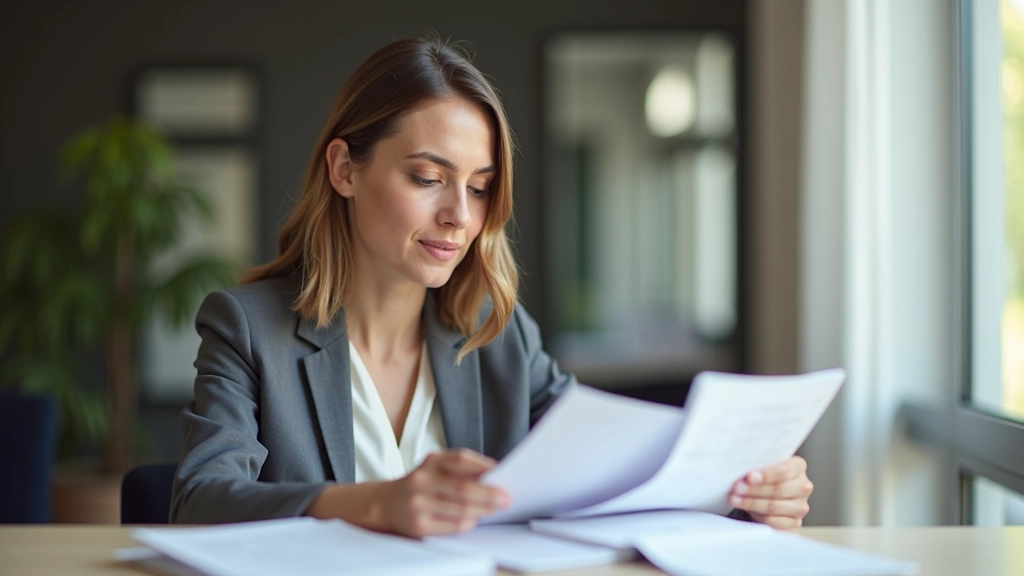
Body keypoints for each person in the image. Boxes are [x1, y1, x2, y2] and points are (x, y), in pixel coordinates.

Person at [170, 35, 814, 536]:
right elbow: (198, 501)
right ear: (344, 169)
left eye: (479, 187)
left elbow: (618, 470)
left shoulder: (494, 331)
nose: (460, 215)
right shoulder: (248, 327)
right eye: (427, 177)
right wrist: (377, 503)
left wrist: (740, 490)